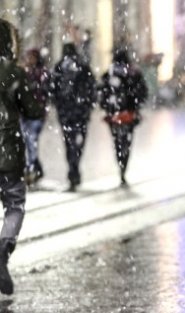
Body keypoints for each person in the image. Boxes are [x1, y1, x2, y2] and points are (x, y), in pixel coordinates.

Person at [0, 19, 43, 294]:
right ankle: (2, 250)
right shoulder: (15, 74)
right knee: (15, 204)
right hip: (9, 153)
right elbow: (34, 111)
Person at [50, 43, 97, 192]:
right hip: (80, 113)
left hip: (66, 113)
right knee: (78, 143)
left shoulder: (59, 67)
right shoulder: (83, 67)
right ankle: (74, 168)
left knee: (69, 142)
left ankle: (72, 169)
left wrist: (59, 106)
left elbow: (53, 90)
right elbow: (92, 88)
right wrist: (88, 106)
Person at [99, 49, 148, 186]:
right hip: (129, 115)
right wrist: (135, 107)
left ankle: (120, 162)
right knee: (126, 142)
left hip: (114, 115)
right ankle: (123, 166)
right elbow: (142, 92)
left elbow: (102, 92)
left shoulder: (109, 73)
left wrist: (107, 107)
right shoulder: (133, 73)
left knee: (117, 142)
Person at [21, 48, 50, 186]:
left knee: (31, 142)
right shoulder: (25, 73)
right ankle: (34, 169)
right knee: (27, 142)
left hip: (36, 115)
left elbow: (45, 92)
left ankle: (31, 170)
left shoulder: (41, 73)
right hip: (25, 114)